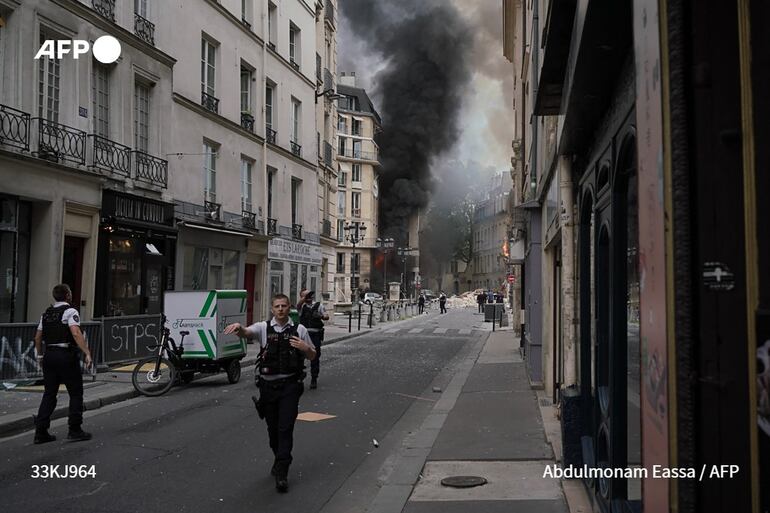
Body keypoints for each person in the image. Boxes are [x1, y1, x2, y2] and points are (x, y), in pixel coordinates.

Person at [224, 294, 316, 493]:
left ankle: (282, 470)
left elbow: (313, 354)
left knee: (285, 428)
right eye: (277, 306)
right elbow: (247, 333)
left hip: (290, 386)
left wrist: (305, 347)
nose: (281, 309)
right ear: (272, 309)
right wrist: (239, 328)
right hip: (268, 388)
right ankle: (279, 456)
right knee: (273, 430)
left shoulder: (299, 330)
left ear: (289, 307)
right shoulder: (263, 328)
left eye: (284, 306)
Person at [33, 284, 93, 444]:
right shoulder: (70, 312)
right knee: (75, 392)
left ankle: (41, 431)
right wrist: (86, 352)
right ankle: (74, 429)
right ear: (67, 295)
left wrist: (40, 356)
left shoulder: (45, 314)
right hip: (65, 355)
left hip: (49, 355)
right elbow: (75, 332)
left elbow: (38, 338)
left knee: (49, 393)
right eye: (71, 293)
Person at [298, 290, 328, 389]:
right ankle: (299, 375)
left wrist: (321, 316)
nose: (309, 297)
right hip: (304, 335)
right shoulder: (302, 307)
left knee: (315, 357)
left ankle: (314, 378)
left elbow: (326, 316)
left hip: (315, 334)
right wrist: (303, 300)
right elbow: (297, 307)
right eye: (306, 295)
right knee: (299, 356)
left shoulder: (318, 306)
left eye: (310, 295)